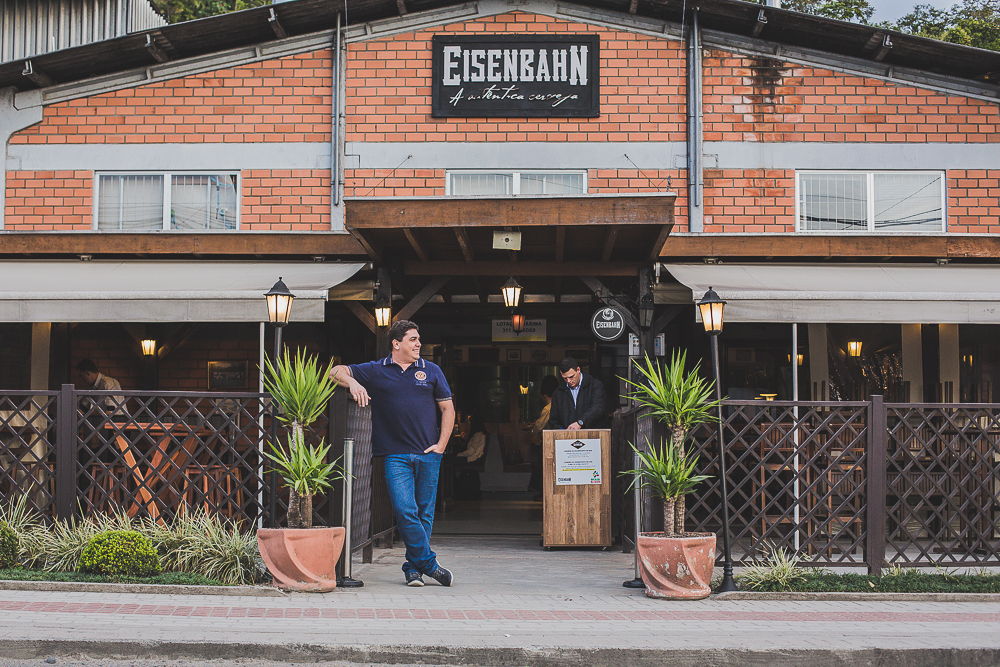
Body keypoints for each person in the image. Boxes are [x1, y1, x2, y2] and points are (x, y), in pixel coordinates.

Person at [330, 320, 456, 588]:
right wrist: (353, 384)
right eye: (413, 339)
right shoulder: (377, 370)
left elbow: (448, 409)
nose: (419, 343)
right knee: (404, 509)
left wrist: (441, 445)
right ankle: (430, 565)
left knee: (424, 513)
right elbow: (334, 372)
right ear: (396, 344)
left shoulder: (431, 370)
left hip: (429, 453)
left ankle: (412, 569)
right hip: (395, 455)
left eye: (418, 339)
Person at [548, 357, 607, 431]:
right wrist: (562, 431)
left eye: (571, 377)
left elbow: (597, 408)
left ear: (578, 370)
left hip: (592, 435)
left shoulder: (595, 385)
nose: (569, 381)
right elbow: (554, 420)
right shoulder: (558, 393)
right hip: (567, 436)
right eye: (565, 378)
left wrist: (580, 422)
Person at [527, 374, 559, 494]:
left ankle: (538, 488)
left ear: (544, 395)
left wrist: (532, 429)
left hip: (548, 443)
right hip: (560, 441)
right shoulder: (560, 405)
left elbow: (538, 427)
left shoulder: (548, 408)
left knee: (540, 465)